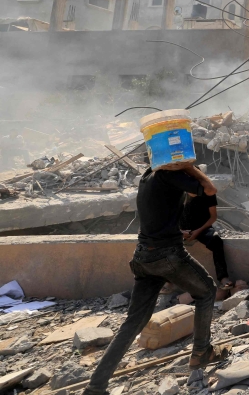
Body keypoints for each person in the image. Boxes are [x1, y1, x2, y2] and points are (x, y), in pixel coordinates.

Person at [82, 161, 228, 395]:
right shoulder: (168, 174)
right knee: (207, 291)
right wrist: (189, 166)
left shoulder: (148, 175)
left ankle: (95, 387)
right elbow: (210, 189)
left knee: (134, 322)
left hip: (143, 255)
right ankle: (201, 353)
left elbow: (186, 195)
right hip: (167, 254)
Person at [180, 187, 232, 289]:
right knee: (166, 245)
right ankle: (169, 282)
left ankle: (223, 278)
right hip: (180, 230)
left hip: (202, 228)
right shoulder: (178, 193)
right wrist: (179, 232)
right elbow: (169, 217)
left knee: (216, 241)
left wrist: (197, 232)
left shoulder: (208, 193)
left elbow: (213, 217)